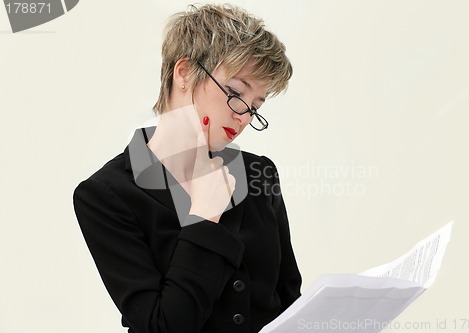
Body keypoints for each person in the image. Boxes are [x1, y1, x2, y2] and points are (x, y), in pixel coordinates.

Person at [73, 4, 301, 333]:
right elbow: (162, 326)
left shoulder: (259, 173)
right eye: (235, 93)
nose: (243, 117)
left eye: (255, 107)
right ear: (184, 73)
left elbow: (288, 300)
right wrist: (205, 219)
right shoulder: (105, 196)